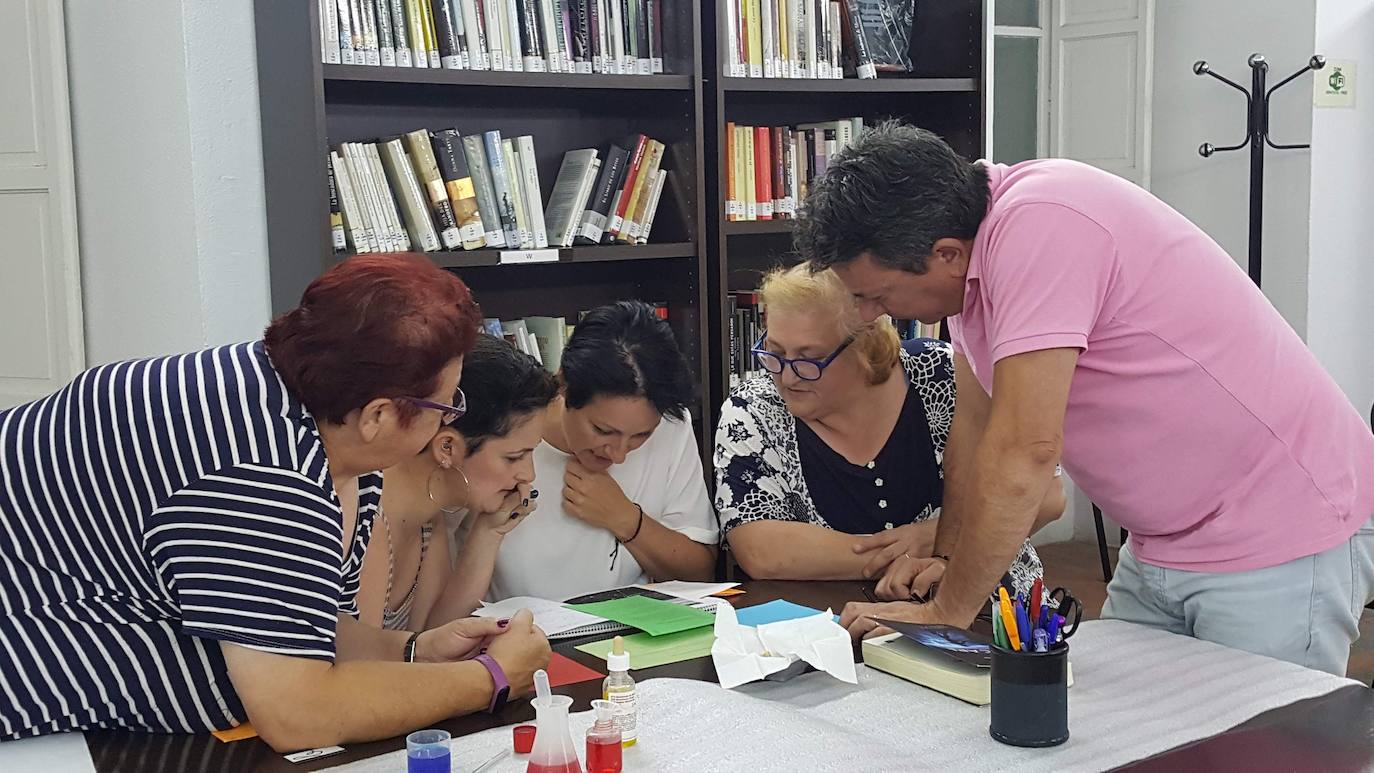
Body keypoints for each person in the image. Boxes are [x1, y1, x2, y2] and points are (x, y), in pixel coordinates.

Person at [802, 122, 1374, 676]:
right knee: (1126, 741)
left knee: (1260, 752)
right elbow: (973, 437)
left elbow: (1025, 449)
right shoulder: (971, 265)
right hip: (1163, 544)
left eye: (875, 295)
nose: (869, 315)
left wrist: (944, 613)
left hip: (1278, 532)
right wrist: (947, 564)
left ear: (947, 254)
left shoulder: (1041, 224)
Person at [0, 254, 550, 750]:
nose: (451, 415)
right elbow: (298, 715)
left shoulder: (303, 400)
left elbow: (294, 622)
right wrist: (492, 680)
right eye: (445, 404)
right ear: (379, 415)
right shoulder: (265, 474)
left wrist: (413, 652)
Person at [714, 264, 1059, 597]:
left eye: (809, 359)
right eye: (774, 354)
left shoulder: (944, 374)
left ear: (865, 347)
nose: (787, 377)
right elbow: (760, 548)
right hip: (832, 627)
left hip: (994, 614)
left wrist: (938, 537)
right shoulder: (754, 408)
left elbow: (1047, 496)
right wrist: (908, 555)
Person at [485, 301, 719, 601]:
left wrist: (625, 518)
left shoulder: (671, 426)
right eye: (603, 431)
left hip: (627, 639)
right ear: (563, 386)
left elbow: (698, 573)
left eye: (641, 435)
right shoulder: (506, 436)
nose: (619, 454)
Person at [358, 334, 560, 632]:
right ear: (447, 448)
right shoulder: (368, 520)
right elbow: (365, 664)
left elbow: (434, 638)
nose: (528, 475)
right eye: (514, 457)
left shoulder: (429, 518)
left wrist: (489, 531)